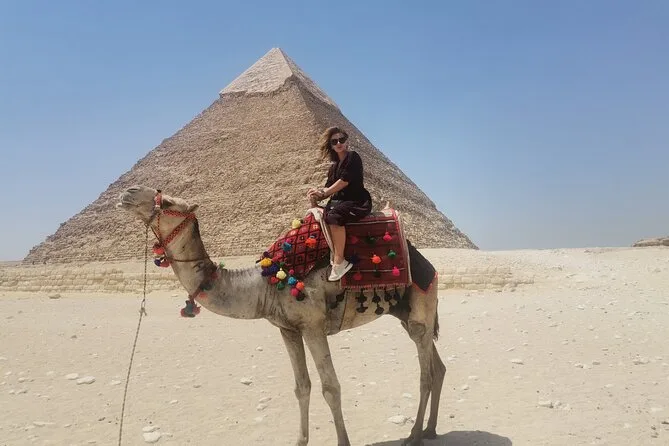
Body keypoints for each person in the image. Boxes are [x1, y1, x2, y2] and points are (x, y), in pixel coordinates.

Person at [307, 126, 373, 281]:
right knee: (322, 215)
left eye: (341, 139)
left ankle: (339, 260)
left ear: (347, 141)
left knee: (334, 216)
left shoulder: (353, 157)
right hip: (339, 201)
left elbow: (344, 181)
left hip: (356, 201)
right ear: (331, 146)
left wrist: (324, 193)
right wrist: (316, 193)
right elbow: (328, 187)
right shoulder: (334, 167)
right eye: (334, 141)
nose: (338, 143)